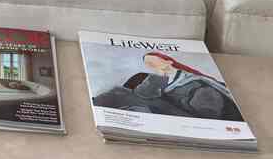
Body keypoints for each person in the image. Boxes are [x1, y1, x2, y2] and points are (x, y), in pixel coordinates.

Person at [93, 51, 243, 121]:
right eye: (149, 65)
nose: (152, 66)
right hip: (175, 110)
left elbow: (209, 111)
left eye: (153, 62)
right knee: (118, 93)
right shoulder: (158, 80)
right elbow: (142, 93)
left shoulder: (191, 80)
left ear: (168, 61)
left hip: (195, 115)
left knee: (119, 94)